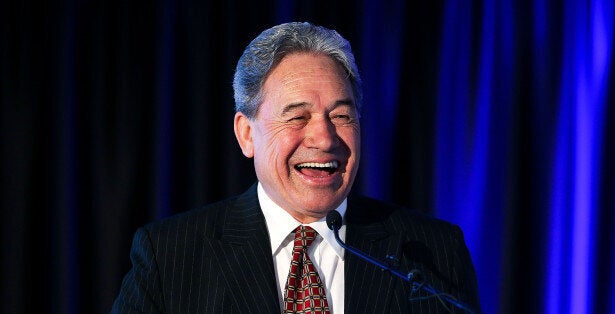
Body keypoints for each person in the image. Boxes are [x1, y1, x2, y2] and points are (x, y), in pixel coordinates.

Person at [111, 21, 480, 314]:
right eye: (297, 117)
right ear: (246, 134)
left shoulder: (432, 252)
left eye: (341, 115)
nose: (324, 138)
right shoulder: (171, 255)